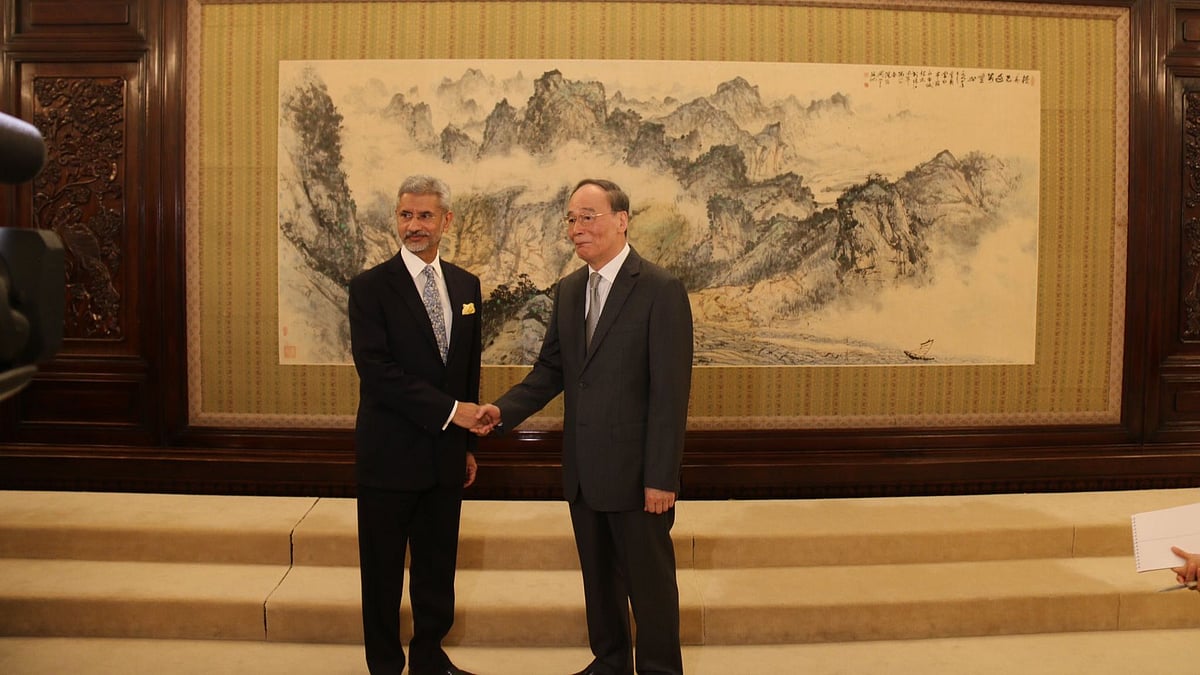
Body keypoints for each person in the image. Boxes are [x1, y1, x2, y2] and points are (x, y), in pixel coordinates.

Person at [477, 178, 694, 675]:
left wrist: (662, 476)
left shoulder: (661, 289)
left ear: (622, 220)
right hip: (583, 472)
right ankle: (610, 663)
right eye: (571, 219)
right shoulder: (571, 290)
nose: (576, 229)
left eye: (587, 217)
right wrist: (502, 411)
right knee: (599, 585)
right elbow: (552, 370)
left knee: (651, 591)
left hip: (640, 478)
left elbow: (669, 394)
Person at [348, 174, 482, 675]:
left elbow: (466, 372)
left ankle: (429, 658)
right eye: (406, 215)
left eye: (425, 215)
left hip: (446, 460)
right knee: (381, 575)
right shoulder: (369, 288)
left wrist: (465, 444)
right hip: (388, 458)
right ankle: (385, 665)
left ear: (446, 220)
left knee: (436, 572)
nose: (414, 225)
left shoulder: (467, 286)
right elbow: (378, 373)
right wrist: (453, 414)